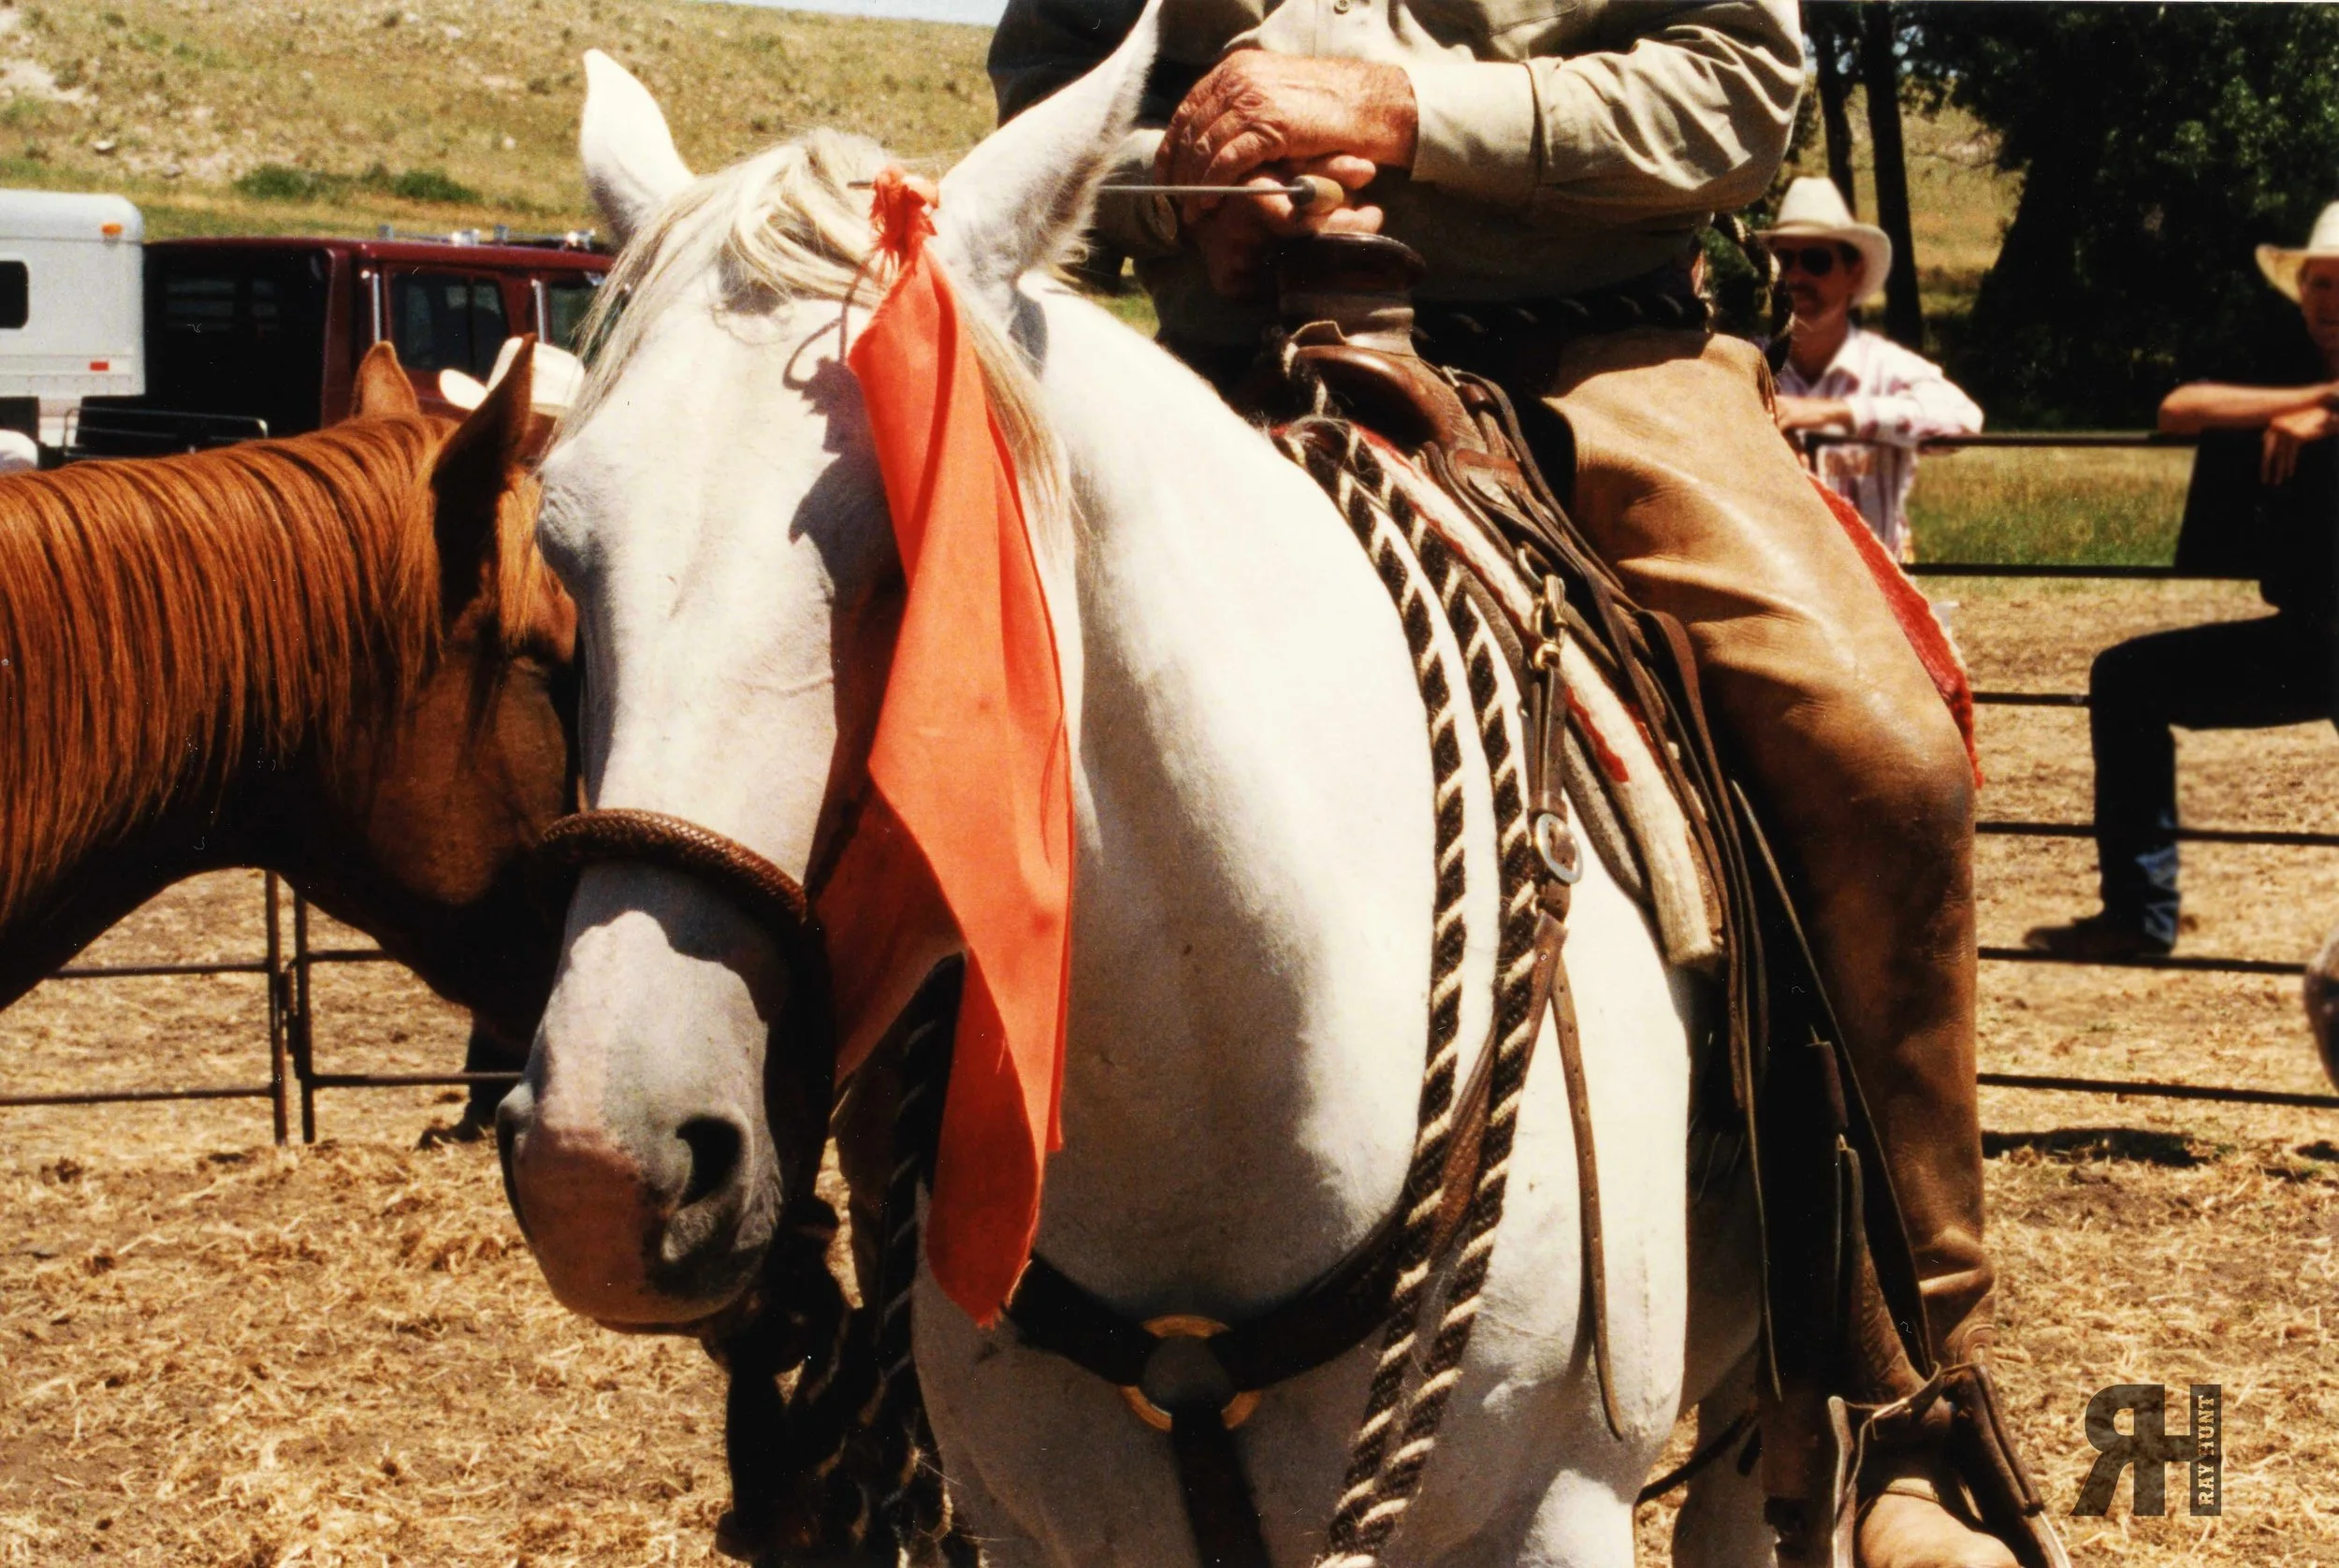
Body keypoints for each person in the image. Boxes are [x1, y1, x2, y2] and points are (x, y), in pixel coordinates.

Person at [989, 7, 2058, 1567]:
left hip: (1601, 362)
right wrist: (1184, 189)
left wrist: (1399, 111)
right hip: (1232, 374)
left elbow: (1744, 91)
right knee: (949, 725)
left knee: (1879, 759)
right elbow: (1051, 90)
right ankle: (857, 1348)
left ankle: (1911, 1392)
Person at [2025, 204, 2339, 961]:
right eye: (2317, 284)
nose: (2327, 302)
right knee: (2129, 679)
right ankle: (2139, 915)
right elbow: (2178, 408)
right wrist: (2317, 404)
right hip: (2309, 638)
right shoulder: (2290, 372)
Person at [1763, 176, 1983, 560]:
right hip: (1780, 590)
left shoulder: (1886, 367)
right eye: (1784, 261)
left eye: (1816, 261)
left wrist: (1836, 413)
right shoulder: (1747, 364)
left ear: (1854, 274)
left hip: (1877, 593)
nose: (1796, 277)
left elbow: (1963, 421)